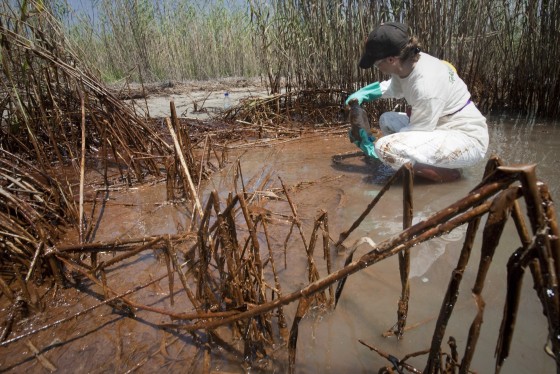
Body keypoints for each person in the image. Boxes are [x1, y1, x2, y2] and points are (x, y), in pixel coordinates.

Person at [346, 21, 489, 183]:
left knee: (385, 149)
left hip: (467, 140)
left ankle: (448, 175)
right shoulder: (407, 64)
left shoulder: (425, 86)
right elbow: (395, 88)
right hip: (440, 125)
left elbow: (419, 130)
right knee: (386, 120)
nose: (377, 67)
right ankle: (424, 166)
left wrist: (375, 150)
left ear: (391, 59)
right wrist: (366, 93)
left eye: (377, 64)